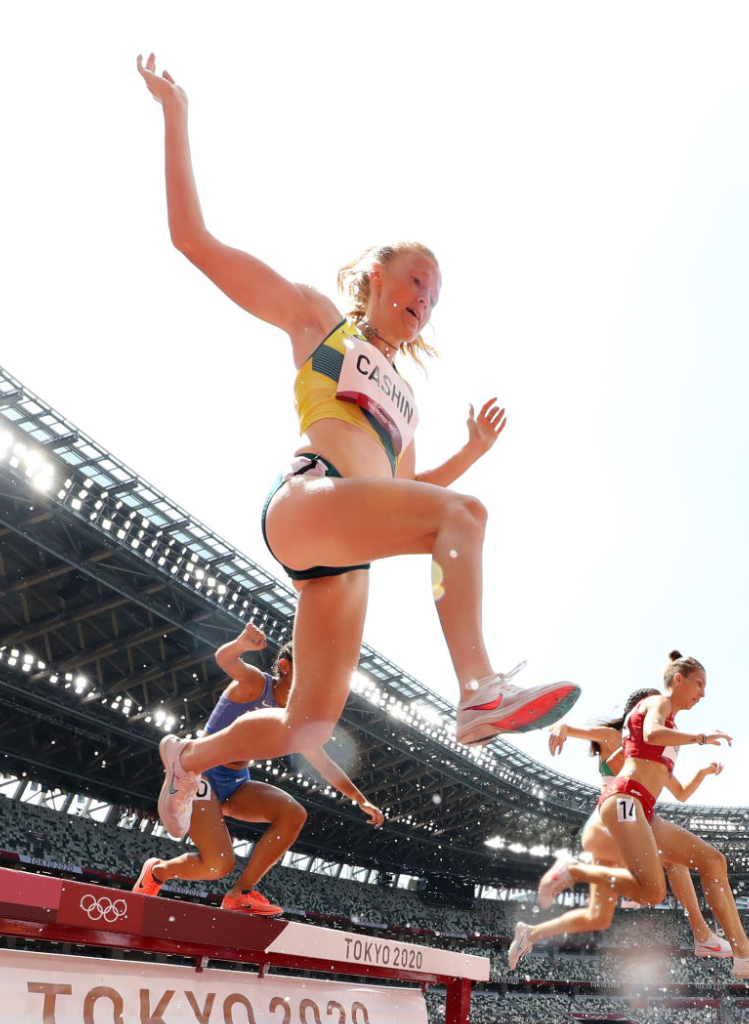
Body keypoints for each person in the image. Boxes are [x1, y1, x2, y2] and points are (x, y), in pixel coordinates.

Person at [134, 55, 577, 841]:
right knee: (464, 516)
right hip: (307, 502)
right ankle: (477, 688)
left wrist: (469, 450)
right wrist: (176, 114)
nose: (423, 302)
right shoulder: (318, 321)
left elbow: (410, 493)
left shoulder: (405, 400)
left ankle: (189, 758)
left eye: (435, 299)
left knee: (307, 727)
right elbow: (191, 240)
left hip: (346, 555)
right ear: (374, 276)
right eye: (415, 282)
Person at [515, 655, 749, 977]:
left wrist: (701, 772)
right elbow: (651, 734)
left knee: (710, 862)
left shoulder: (665, 740)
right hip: (622, 802)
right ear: (678, 680)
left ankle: (744, 955)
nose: (702, 694)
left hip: (640, 809)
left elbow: (668, 777)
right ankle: (576, 871)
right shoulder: (657, 703)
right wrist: (700, 737)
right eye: (699, 684)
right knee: (659, 882)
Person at [133, 624, 381, 915]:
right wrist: (240, 645)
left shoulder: (299, 718)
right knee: (217, 865)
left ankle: (241, 893)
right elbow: (226, 661)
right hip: (202, 778)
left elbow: (323, 763)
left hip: (236, 783)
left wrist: (359, 798)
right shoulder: (255, 684)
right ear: (286, 667)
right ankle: (158, 873)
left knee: (293, 814)